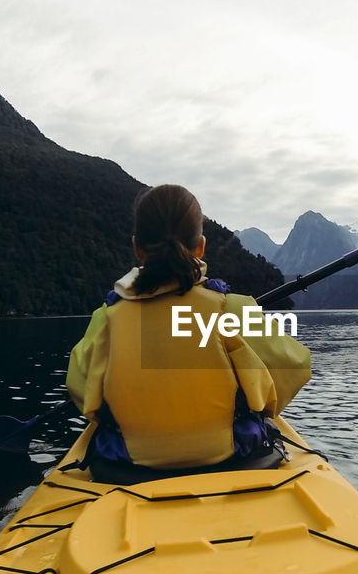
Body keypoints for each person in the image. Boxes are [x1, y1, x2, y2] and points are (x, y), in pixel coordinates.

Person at [65, 184, 310, 477]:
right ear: (201, 246)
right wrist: (256, 400)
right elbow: (295, 366)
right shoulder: (231, 309)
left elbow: (83, 395)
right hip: (233, 459)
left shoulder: (108, 318)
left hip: (129, 467)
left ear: (137, 247)